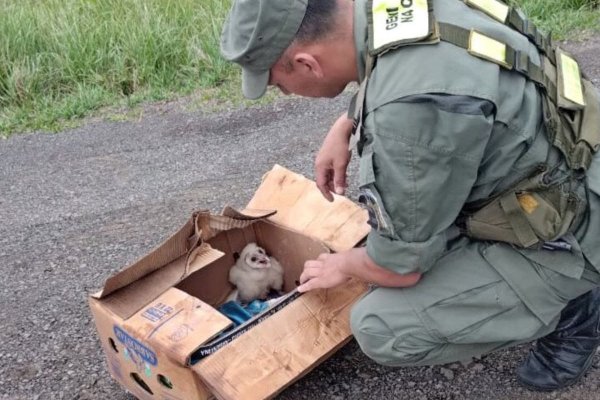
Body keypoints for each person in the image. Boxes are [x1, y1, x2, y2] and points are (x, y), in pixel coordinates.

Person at [220, 0, 600, 391]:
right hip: (575, 155)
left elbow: (399, 268)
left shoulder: (407, 115)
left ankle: (575, 308)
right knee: (406, 225)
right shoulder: (392, 9)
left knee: (381, 325)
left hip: (574, 225)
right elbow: (426, 61)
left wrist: (345, 264)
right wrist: (346, 123)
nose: (284, 93)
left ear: (307, 65)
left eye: (278, 84)